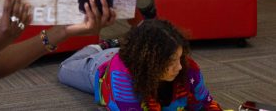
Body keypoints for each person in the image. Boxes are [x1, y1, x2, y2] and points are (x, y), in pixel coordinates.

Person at [58, 19, 223, 110]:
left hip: (134, 53)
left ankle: (121, 44)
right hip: (101, 64)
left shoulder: (188, 68)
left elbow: (206, 103)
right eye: (171, 61)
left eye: (180, 58)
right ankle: (101, 46)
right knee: (63, 69)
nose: (179, 66)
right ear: (151, 63)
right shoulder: (121, 77)